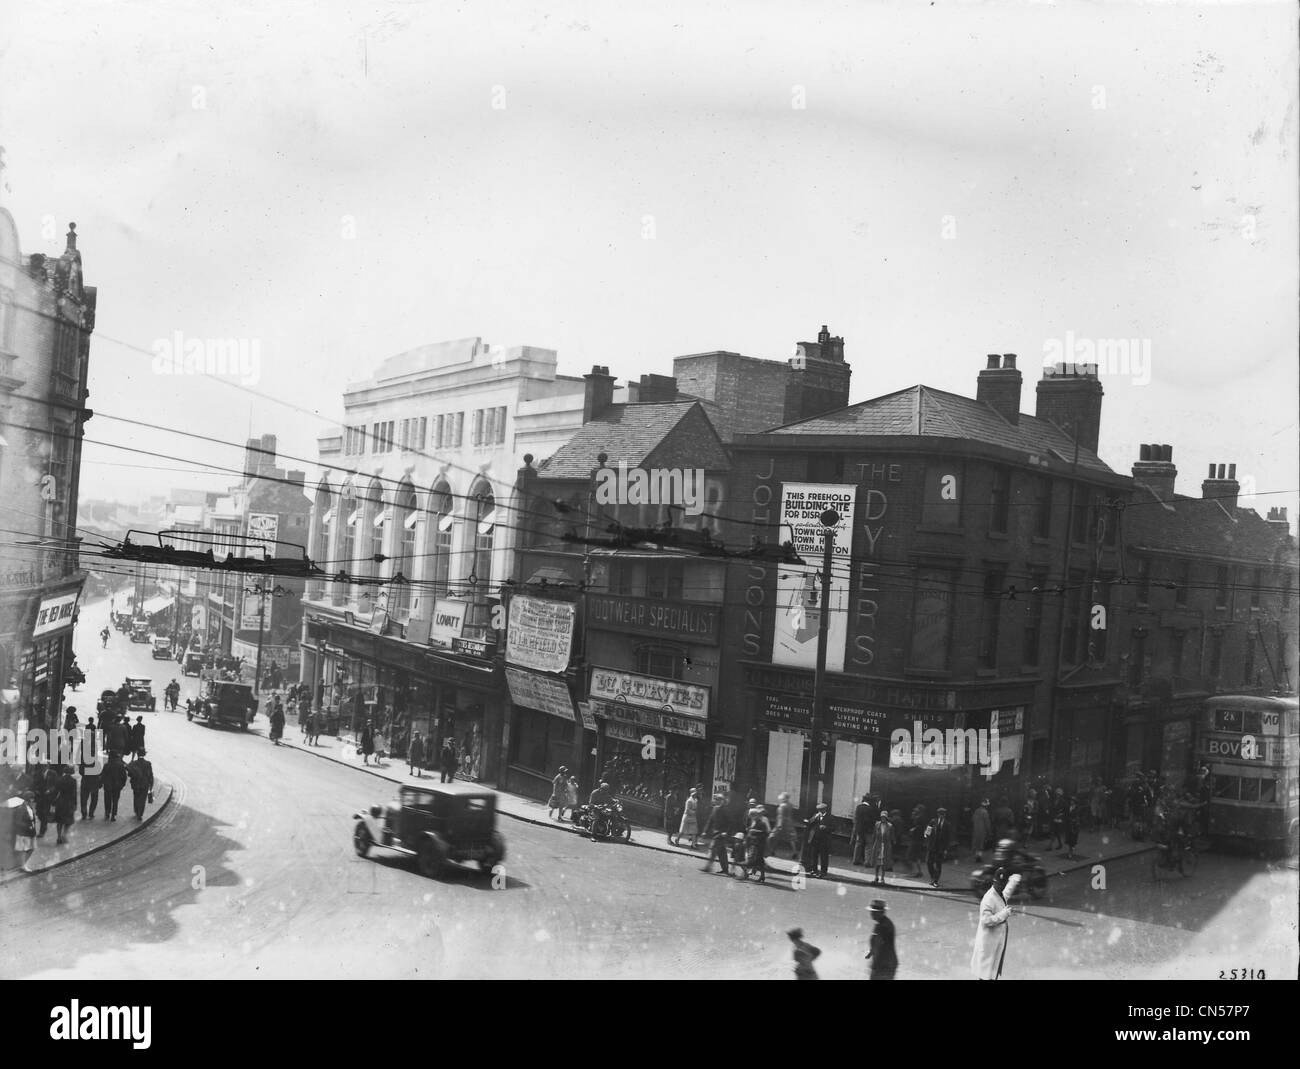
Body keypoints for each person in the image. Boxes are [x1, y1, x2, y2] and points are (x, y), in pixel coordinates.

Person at [971, 868, 1019, 980]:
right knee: (985, 975)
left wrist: (1013, 882)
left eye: (1003, 884)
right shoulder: (988, 899)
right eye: (999, 883)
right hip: (988, 944)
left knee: (991, 973)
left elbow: (1005, 894)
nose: (1001, 886)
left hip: (994, 942)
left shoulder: (998, 893)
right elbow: (986, 920)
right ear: (994, 882)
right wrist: (1004, 914)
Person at [865, 900, 898, 980]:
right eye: (872, 911)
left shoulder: (883, 926)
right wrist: (871, 952)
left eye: (874, 912)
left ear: (881, 912)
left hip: (883, 965)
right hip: (887, 963)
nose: (871, 913)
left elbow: (878, 943)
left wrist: (875, 965)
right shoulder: (882, 923)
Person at [701, 797, 734, 875]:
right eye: (716, 800)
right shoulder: (714, 809)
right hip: (716, 833)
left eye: (718, 800)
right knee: (721, 852)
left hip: (721, 834)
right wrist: (705, 831)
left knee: (713, 848)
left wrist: (726, 832)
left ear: (722, 801)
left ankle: (708, 867)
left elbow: (731, 823)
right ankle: (725, 869)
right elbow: (710, 821)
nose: (716, 801)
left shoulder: (725, 810)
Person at [804, 802, 832, 878]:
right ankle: (814, 870)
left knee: (824, 857)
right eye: (819, 810)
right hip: (815, 839)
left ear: (825, 810)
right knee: (814, 855)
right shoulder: (816, 816)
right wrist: (811, 819)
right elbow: (809, 823)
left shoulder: (829, 817)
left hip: (824, 840)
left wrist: (825, 827)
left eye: (821, 810)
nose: (820, 811)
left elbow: (833, 828)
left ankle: (823, 872)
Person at [925, 807, 952, 887]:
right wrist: (926, 836)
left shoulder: (947, 824)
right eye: (940, 814)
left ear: (945, 815)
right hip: (932, 846)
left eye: (943, 814)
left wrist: (946, 849)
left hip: (940, 848)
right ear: (937, 814)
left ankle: (935, 881)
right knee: (928, 862)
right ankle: (933, 877)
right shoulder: (933, 821)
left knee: (938, 864)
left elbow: (948, 838)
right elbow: (927, 832)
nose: (941, 816)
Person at [53, 765, 78, 844]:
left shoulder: (59, 780)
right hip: (69, 802)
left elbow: (56, 791)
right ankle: (64, 834)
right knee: (68, 821)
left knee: (59, 821)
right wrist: (75, 804)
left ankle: (59, 836)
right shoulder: (73, 781)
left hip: (61, 802)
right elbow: (74, 794)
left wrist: (53, 802)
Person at [768, 791, 797, 860]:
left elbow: (780, 816)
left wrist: (779, 825)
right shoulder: (790, 805)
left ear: (784, 798)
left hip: (781, 824)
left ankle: (771, 851)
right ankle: (795, 852)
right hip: (789, 823)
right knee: (791, 839)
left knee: (772, 837)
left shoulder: (782, 806)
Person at [79, 738, 102, 821]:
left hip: (85, 782)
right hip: (94, 783)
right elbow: (100, 774)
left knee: (84, 799)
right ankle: (91, 813)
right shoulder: (97, 763)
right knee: (94, 799)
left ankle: (84, 814)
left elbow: (81, 772)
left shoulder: (84, 761)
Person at [13, 791, 37, 871]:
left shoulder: (30, 807)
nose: (33, 801)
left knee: (32, 848)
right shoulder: (21, 809)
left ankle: (22, 864)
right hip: (23, 833)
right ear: (28, 799)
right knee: (24, 849)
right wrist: (28, 826)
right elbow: (17, 822)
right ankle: (23, 865)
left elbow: (32, 819)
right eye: (31, 799)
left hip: (31, 832)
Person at [128, 750, 154, 821]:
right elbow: (150, 775)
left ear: (137, 754)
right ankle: (140, 813)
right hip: (144, 784)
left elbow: (130, 774)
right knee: (142, 799)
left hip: (135, 784)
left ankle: (136, 811)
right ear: (144, 754)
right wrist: (151, 784)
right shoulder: (148, 764)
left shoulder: (134, 763)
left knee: (136, 797)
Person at [870, 808, 893, 886]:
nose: (883, 818)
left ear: (886, 818)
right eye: (882, 817)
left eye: (884, 817)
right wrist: (873, 844)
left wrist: (890, 845)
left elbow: (892, 837)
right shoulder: (877, 824)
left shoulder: (890, 826)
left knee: (884, 863)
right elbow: (874, 835)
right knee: (877, 862)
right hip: (878, 845)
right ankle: (876, 876)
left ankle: (882, 877)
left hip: (885, 846)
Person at [101, 753, 127, 822]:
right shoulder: (121, 765)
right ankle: (113, 815)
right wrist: (122, 785)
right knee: (115, 801)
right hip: (117, 786)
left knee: (107, 800)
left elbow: (102, 776)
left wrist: (102, 783)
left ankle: (107, 812)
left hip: (108, 786)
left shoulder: (106, 765)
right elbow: (124, 776)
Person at [851, 793, 874, 866]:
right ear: (869, 801)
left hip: (859, 829)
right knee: (868, 845)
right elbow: (871, 820)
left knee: (858, 844)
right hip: (868, 830)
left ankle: (856, 860)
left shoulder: (858, 807)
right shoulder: (870, 809)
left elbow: (856, 819)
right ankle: (867, 862)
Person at [971, 798, 992, 863]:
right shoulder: (985, 812)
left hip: (975, 829)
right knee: (981, 844)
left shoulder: (976, 811)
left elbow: (972, 820)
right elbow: (987, 823)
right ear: (985, 806)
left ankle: (976, 856)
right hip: (982, 830)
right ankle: (979, 857)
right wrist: (989, 832)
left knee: (976, 843)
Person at [1063, 795, 1080, 860]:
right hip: (1069, 825)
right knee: (1069, 839)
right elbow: (1066, 814)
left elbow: (1077, 816)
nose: (1071, 802)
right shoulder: (1068, 807)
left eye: (1072, 801)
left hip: (1075, 825)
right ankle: (1070, 850)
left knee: (1073, 839)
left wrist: (1074, 820)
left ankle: (1071, 852)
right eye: (1071, 800)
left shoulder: (1077, 808)